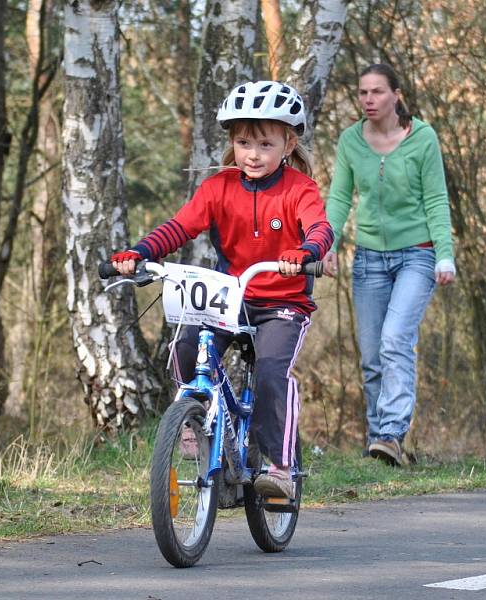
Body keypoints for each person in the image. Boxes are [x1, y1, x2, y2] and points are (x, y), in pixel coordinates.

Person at [111, 81, 334, 497]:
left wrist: (306, 251)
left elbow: (319, 227)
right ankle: (195, 417)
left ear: (288, 144)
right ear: (232, 143)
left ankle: (280, 466)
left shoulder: (299, 189)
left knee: (271, 372)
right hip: (231, 298)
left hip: (282, 304)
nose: (253, 153)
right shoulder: (218, 187)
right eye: (244, 141)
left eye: (265, 144)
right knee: (185, 344)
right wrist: (139, 253)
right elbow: (180, 226)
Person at [323, 63, 456, 466]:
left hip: (417, 254)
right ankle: (378, 445)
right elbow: (339, 198)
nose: (368, 100)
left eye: (377, 92)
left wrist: (444, 253)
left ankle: (392, 434)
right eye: (363, 92)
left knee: (396, 339)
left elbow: (435, 198)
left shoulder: (422, 138)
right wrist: (325, 244)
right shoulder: (350, 141)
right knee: (371, 356)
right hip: (368, 259)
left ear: (396, 94)